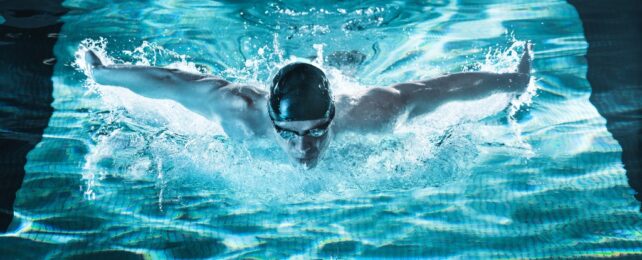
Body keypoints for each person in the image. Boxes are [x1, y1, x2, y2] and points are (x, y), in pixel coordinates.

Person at [83, 43, 532, 169]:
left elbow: (436, 89)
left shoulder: (372, 111)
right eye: (290, 135)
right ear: (272, 122)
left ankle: (336, 61)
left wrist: (513, 81)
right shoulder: (238, 112)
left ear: (334, 117)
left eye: (317, 131)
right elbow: (169, 82)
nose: (304, 149)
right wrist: (103, 74)